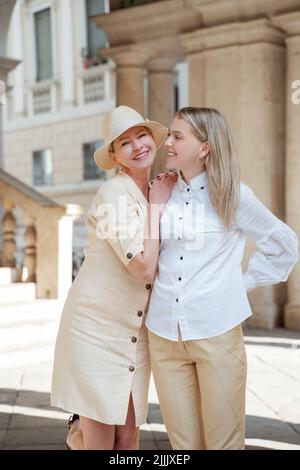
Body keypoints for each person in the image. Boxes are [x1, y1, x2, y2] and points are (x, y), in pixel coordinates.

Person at [145, 107, 299, 450]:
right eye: (169, 135)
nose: (166, 143)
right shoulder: (162, 192)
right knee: (183, 445)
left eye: (177, 136)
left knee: (223, 443)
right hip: (163, 333)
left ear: (204, 147)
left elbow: (285, 245)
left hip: (216, 332)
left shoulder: (234, 194)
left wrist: (240, 284)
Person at [51, 105, 176, 450]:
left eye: (141, 135)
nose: (137, 146)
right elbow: (143, 268)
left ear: (152, 138)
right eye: (125, 143)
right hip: (95, 330)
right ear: (115, 156)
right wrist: (157, 207)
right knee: (102, 438)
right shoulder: (113, 194)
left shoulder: (152, 191)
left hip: (133, 335)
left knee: (129, 436)